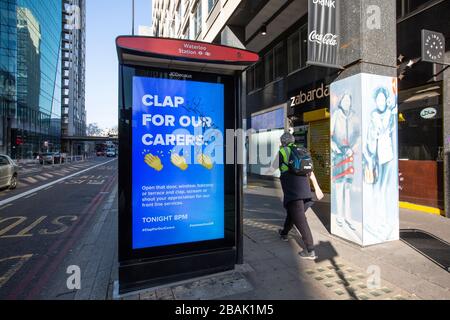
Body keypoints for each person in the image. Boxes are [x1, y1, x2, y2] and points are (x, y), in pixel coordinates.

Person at [269, 132, 324, 260]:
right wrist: (317, 188)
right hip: (305, 191)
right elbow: (310, 172)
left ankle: (310, 250)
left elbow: (272, 168)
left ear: (282, 142)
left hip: (294, 192)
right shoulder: (301, 150)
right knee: (292, 214)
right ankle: (284, 233)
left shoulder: (283, 151)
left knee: (301, 220)